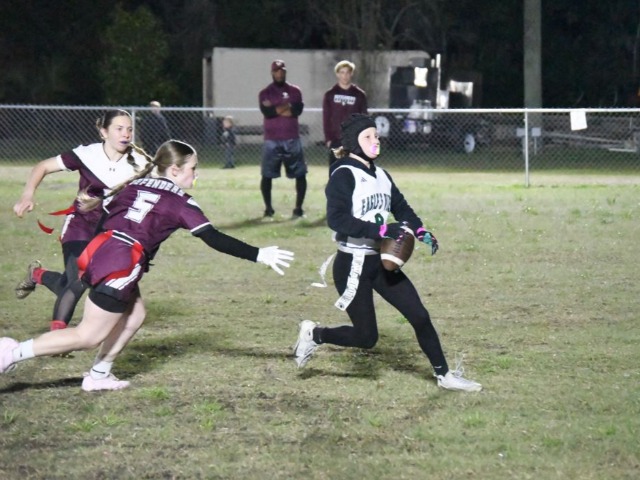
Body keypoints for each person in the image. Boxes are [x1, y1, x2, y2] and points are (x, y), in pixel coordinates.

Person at [1, 140, 294, 391]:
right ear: (175, 170)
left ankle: (99, 374)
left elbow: (105, 218)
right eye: (193, 168)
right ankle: (12, 353)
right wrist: (258, 254)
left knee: (135, 314)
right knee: (87, 336)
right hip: (121, 263)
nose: (196, 174)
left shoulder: (135, 184)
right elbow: (213, 238)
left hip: (102, 251)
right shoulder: (181, 202)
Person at [293, 114, 481, 392]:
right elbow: (337, 219)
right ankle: (314, 334)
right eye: (368, 136)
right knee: (366, 337)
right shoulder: (343, 174)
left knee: (419, 315)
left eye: (377, 136)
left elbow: (402, 209)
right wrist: (381, 231)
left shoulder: (381, 175)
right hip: (353, 263)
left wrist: (420, 231)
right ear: (354, 142)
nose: (375, 141)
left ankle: (445, 375)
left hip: (381, 262)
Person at [13, 110, 149, 331]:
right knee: (76, 281)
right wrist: (27, 195)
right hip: (81, 225)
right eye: (119, 129)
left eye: (129, 129)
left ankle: (37, 274)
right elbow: (43, 166)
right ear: (103, 132)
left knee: (75, 283)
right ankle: (57, 337)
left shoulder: (141, 164)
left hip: (110, 233)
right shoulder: (87, 154)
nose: (126, 134)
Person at [258, 59, 308, 219]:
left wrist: (276, 108)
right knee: (267, 175)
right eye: (276, 71)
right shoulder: (265, 93)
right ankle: (268, 209)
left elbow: (297, 110)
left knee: (300, 174)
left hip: (292, 138)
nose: (279, 74)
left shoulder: (295, 91)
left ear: (285, 72)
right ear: (272, 73)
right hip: (271, 140)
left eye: (282, 71)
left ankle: (298, 209)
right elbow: (268, 113)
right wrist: (287, 106)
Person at [322, 60, 368, 171]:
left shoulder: (359, 94)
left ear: (351, 74)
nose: (345, 76)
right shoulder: (330, 94)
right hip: (336, 139)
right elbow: (326, 118)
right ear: (337, 74)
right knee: (336, 171)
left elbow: (364, 118)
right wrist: (328, 138)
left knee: (355, 171)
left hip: (354, 140)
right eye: (342, 72)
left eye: (347, 72)